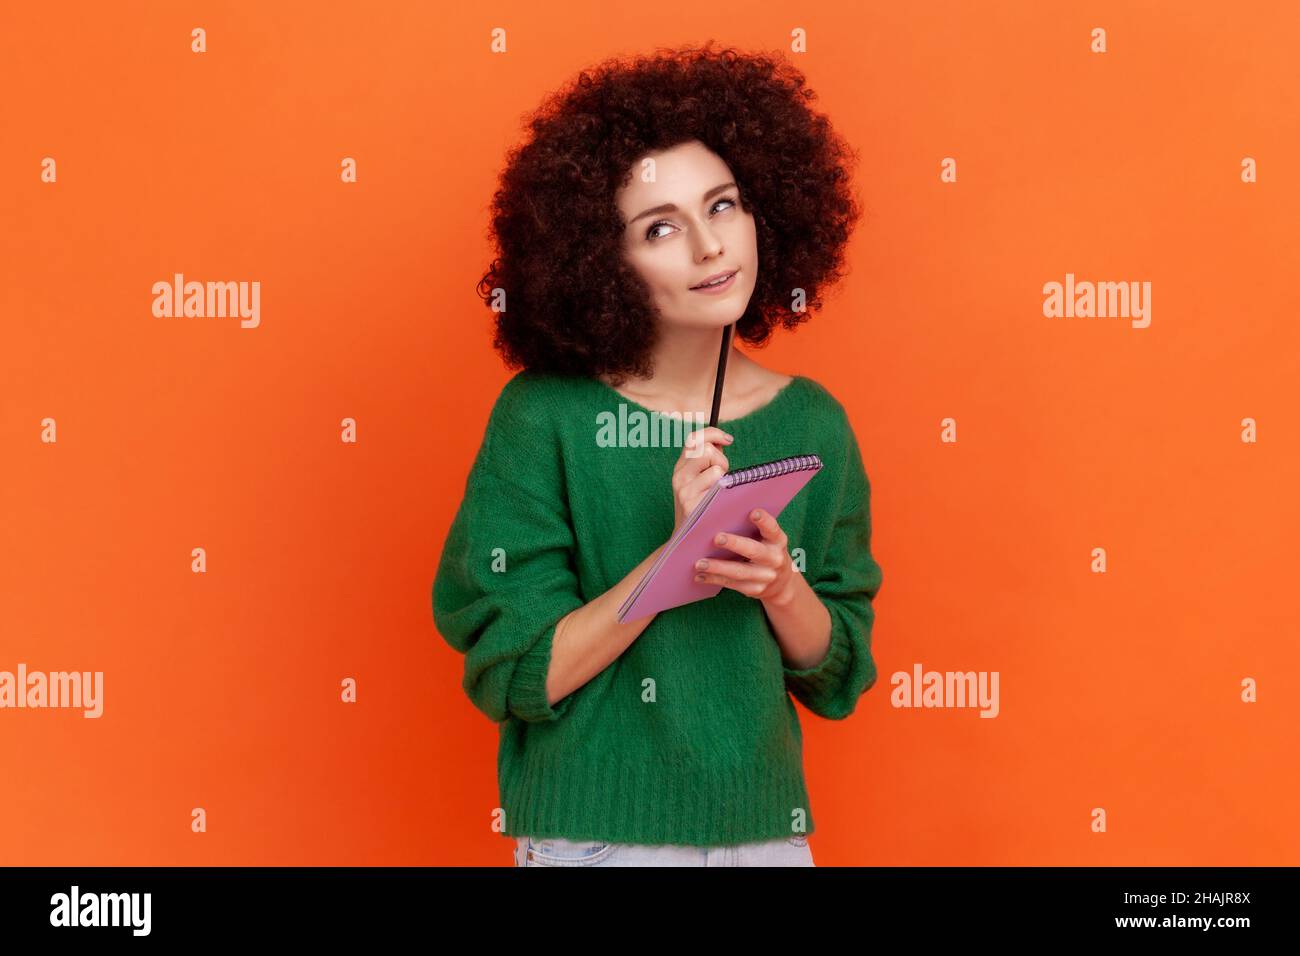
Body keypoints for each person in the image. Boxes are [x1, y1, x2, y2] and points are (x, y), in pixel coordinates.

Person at [433, 42, 882, 867]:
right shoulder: (544, 418)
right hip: (598, 837)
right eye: (660, 227)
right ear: (604, 263)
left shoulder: (814, 425)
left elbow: (837, 672)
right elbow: (519, 671)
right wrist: (676, 559)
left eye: (724, 205)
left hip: (766, 834)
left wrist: (783, 588)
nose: (711, 248)